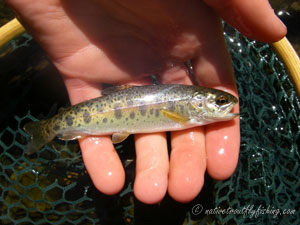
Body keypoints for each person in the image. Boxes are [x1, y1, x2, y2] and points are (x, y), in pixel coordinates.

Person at [6, 0, 286, 204]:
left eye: (221, 101)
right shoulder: (186, 115)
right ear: (197, 104)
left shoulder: (188, 110)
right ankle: (45, 130)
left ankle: (46, 129)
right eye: (219, 101)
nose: (227, 105)